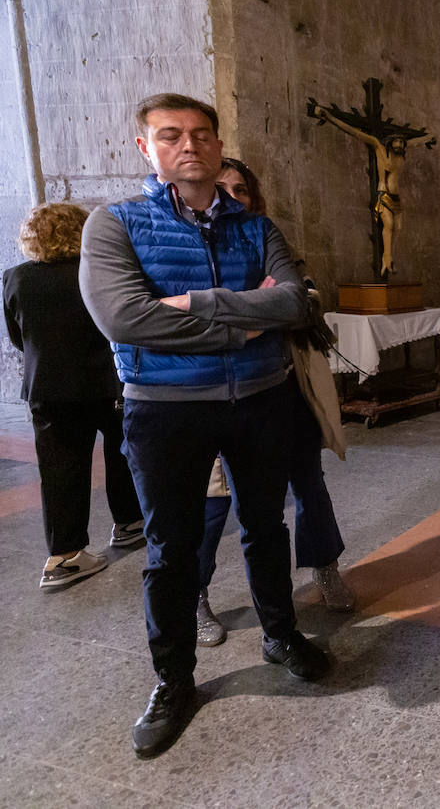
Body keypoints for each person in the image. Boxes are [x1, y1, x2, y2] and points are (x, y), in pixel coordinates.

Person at [80, 93, 330, 760]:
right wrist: (247, 321)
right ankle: (174, 680)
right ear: (147, 149)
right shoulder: (116, 225)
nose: (189, 145)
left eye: (201, 134)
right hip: (165, 408)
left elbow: (296, 302)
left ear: (218, 145)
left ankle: (280, 634)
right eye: (171, 136)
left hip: (259, 399)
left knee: (265, 525)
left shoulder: (255, 228)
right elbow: (124, 319)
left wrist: (197, 303)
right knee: (171, 547)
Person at [195, 158, 354, 649]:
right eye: (223, 188)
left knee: (309, 485)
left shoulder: (267, 241)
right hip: (220, 393)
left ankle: (324, 567)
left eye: (241, 189)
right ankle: (195, 595)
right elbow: (191, 320)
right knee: (214, 500)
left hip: (287, 388)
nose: (233, 197)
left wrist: (255, 310)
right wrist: (263, 309)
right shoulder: (192, 250)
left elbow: (305, 299)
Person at [3, 203, 144, 590]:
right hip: (104, 383)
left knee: (59, 471)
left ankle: (64, 557)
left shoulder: (15, 278)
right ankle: (130, 522)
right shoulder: (94, 273)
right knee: (122, 452)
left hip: (47, 387)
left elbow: (19, 336)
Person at [308, 100, 431, 278]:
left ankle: (388, 258)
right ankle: (386, 258)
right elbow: (354, 132)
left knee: (398, 227)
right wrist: (330, 117)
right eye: (397, 140)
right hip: (384, 194)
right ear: (390, 141)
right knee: (388, 224)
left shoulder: (401, 156)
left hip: (397, 198)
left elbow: (417, 142)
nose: (400, 143)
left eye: (402, 142)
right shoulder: (378, 146)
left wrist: (429, 137)